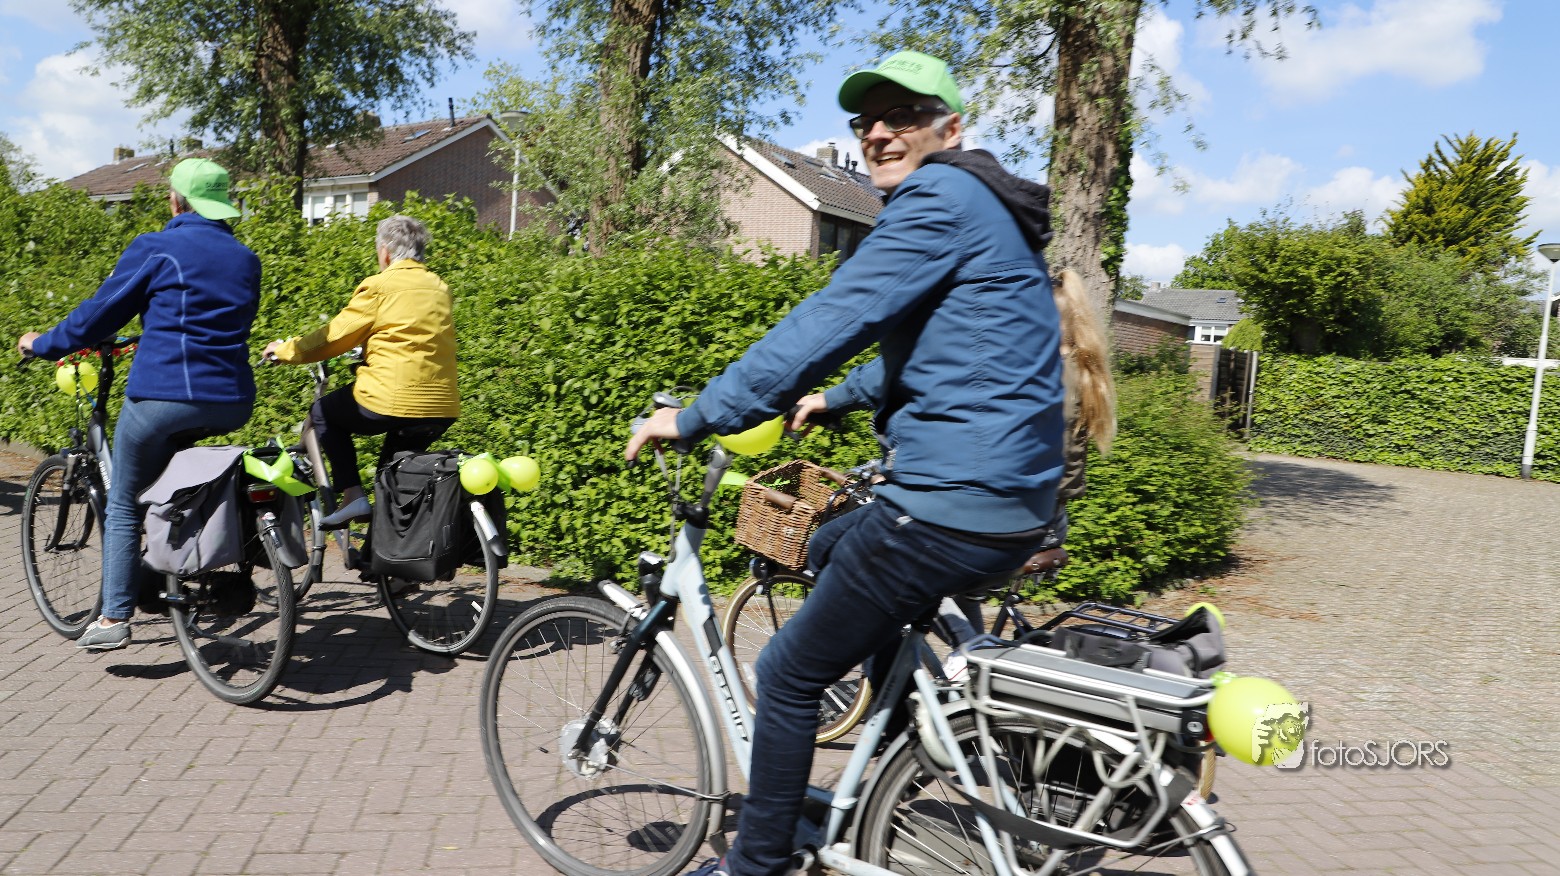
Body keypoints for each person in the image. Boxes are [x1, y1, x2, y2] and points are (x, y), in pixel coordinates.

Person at [625, 50, 1067, 876]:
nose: (879, 133)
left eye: (903, 116)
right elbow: (941, 351)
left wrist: (697, 416)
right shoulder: (987, 210)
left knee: (788, 673)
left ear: (950, 128)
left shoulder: (940, 197)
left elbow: (832, 320)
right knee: (831, 544)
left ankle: (757, 864)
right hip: (1011, 498)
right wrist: (836, 399)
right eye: (867, 120)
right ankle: (893, 755)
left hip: (950, 501)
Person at [17, 157, 260, 651]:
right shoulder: (245, 258)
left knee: (125, 500)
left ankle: (113, 617)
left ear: (176, 202)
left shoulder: (158, 248)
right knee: (172, 486)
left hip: (165, 397)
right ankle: (168, 573)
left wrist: (43, 343)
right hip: (233, 398)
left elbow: (98, 315)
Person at [263, 215, 458, 528]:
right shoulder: (439, 287)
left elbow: (333, 338)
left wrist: (283, 351)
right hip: (441, 405)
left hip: (392, 399)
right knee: (390, 480)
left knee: (324, 412)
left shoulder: (380, 286)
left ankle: (352, 495)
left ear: (385, 252)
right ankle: (384, 551)